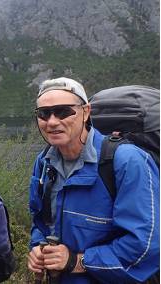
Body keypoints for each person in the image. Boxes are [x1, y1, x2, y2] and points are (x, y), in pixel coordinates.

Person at [27, 77, 160, 283]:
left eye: (63, 111)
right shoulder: (45, 162)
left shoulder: (126, 161)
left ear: (85, 112)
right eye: (43, 114)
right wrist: (38, 248)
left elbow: (145, 245)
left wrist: (77, 262)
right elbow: (42, 221)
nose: (52, 121)